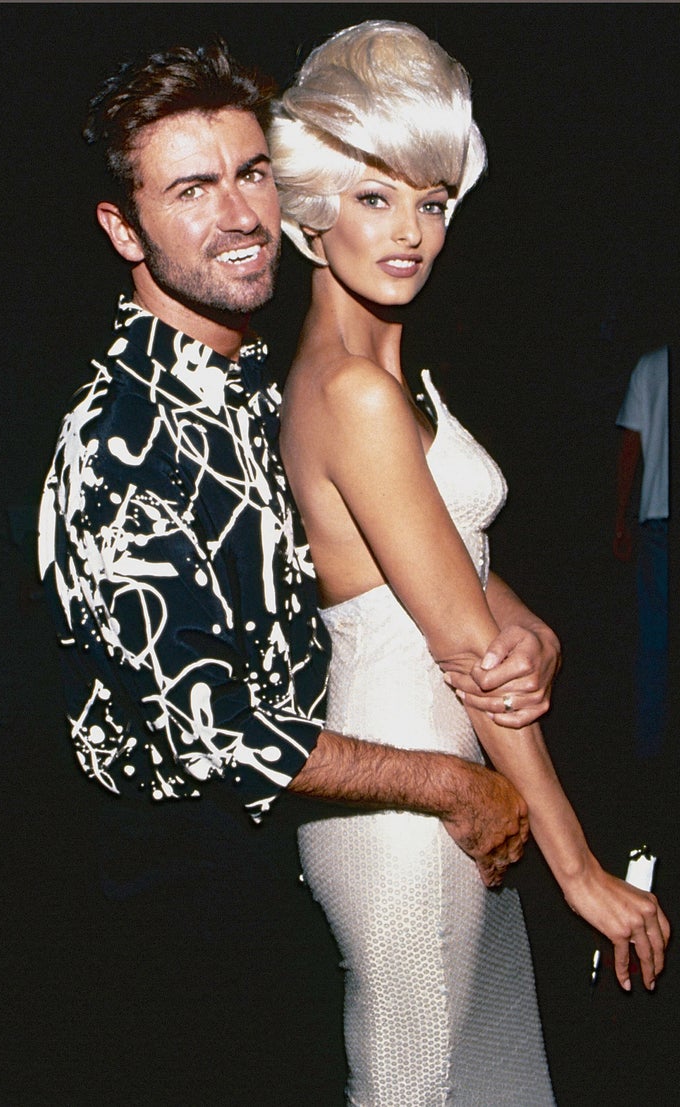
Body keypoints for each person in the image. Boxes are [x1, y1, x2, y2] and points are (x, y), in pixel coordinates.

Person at [37, 40, 564, 1102]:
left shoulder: (262, 378)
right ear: (122, 227)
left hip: (284, 858)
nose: (238, 214)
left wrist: (518, 617)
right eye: (191, 188)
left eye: (252, 172)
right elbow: (209, 729)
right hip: (182, 895)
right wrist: (450, 785)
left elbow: (376, 552)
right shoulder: (118, 437)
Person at [269, 20, 671, 1106]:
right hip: (408, 822)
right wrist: (579, 870)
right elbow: (468, 656)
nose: (411, 232)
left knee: (498, 1088)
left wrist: (528, 619)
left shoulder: (391, 376)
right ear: (310, 214)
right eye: (373, 197)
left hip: (471, 808)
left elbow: (442, 566)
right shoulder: (350, 393)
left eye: (432, 200)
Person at [614, 345, 669, 762]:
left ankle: (648, 748)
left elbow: (629, 449)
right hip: (657, 526)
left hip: (657, 522)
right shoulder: (650, 365)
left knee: (654, 641)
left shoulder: (650, 365)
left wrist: (620, 520)